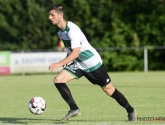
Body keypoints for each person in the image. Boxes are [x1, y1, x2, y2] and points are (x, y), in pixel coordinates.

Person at [48, 3, 136, 122]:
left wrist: (58, 63)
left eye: (52, 15)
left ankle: (130, 110)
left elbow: (75, 53)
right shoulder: (60, 32)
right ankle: (74, 109)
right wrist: (66, 58)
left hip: (93, 64)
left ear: (60, 15)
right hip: (79, 64)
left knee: (109, 90)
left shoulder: (72, 30)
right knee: (58, 80)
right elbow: (70, 51)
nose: (50, 17)